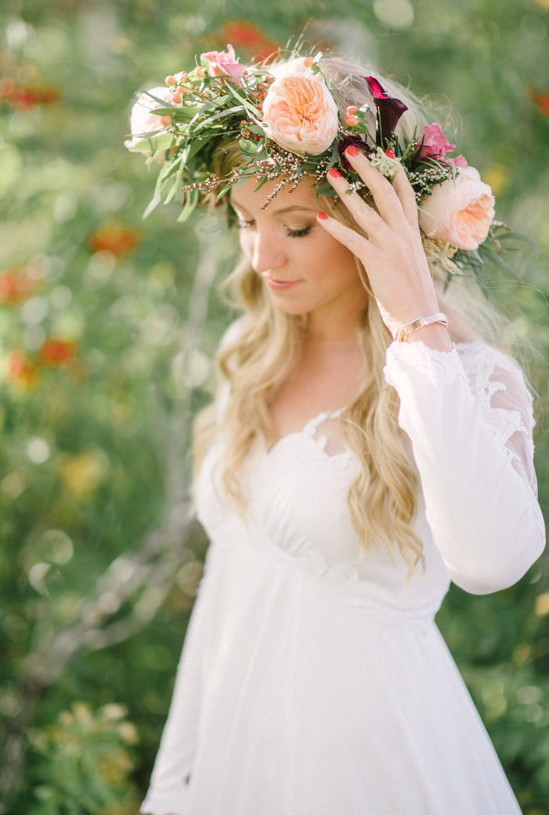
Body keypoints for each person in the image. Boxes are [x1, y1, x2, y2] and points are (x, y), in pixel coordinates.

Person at [127, 48, 546, 815]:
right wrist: (169, 788)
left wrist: (418, 322)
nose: (261, 256)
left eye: (293, 226)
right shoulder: (248, 358)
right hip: (236, 762)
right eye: (247, 222)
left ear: (372, 219)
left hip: (375, 767)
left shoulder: (464, 377)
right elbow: (229, 588)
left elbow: (493, 561)